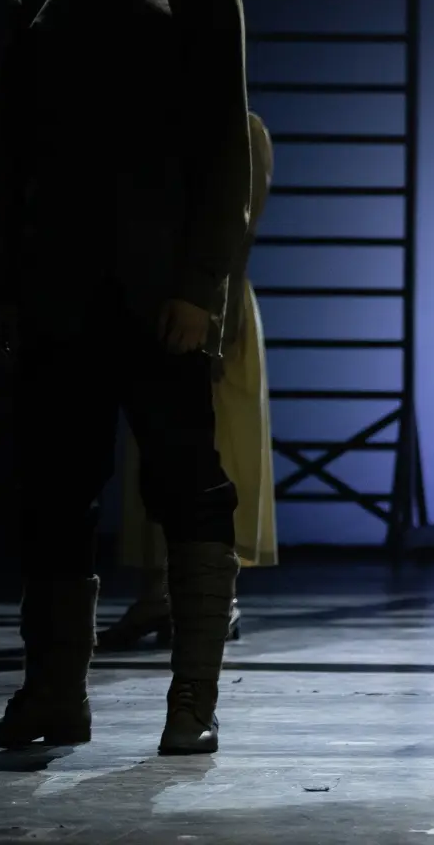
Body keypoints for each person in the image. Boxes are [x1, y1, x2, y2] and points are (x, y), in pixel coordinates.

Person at [0, 0, 249, 756]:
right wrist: (3, 285)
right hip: (59, 290)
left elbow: (223, 152)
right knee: (52, 494)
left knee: (188, 485)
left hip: (155, 291)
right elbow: (10, 155)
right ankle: (55, 695)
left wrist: (199, 287)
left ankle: (193, 701)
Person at [100, 112, 277, 649]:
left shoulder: (240, 129)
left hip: (210, 304)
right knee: (157, 453)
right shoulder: (150, 127)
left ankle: (214, 595)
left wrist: (220, 319)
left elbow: (238, 231)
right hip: (155, 304)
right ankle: (160, 592)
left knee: (216, 449)